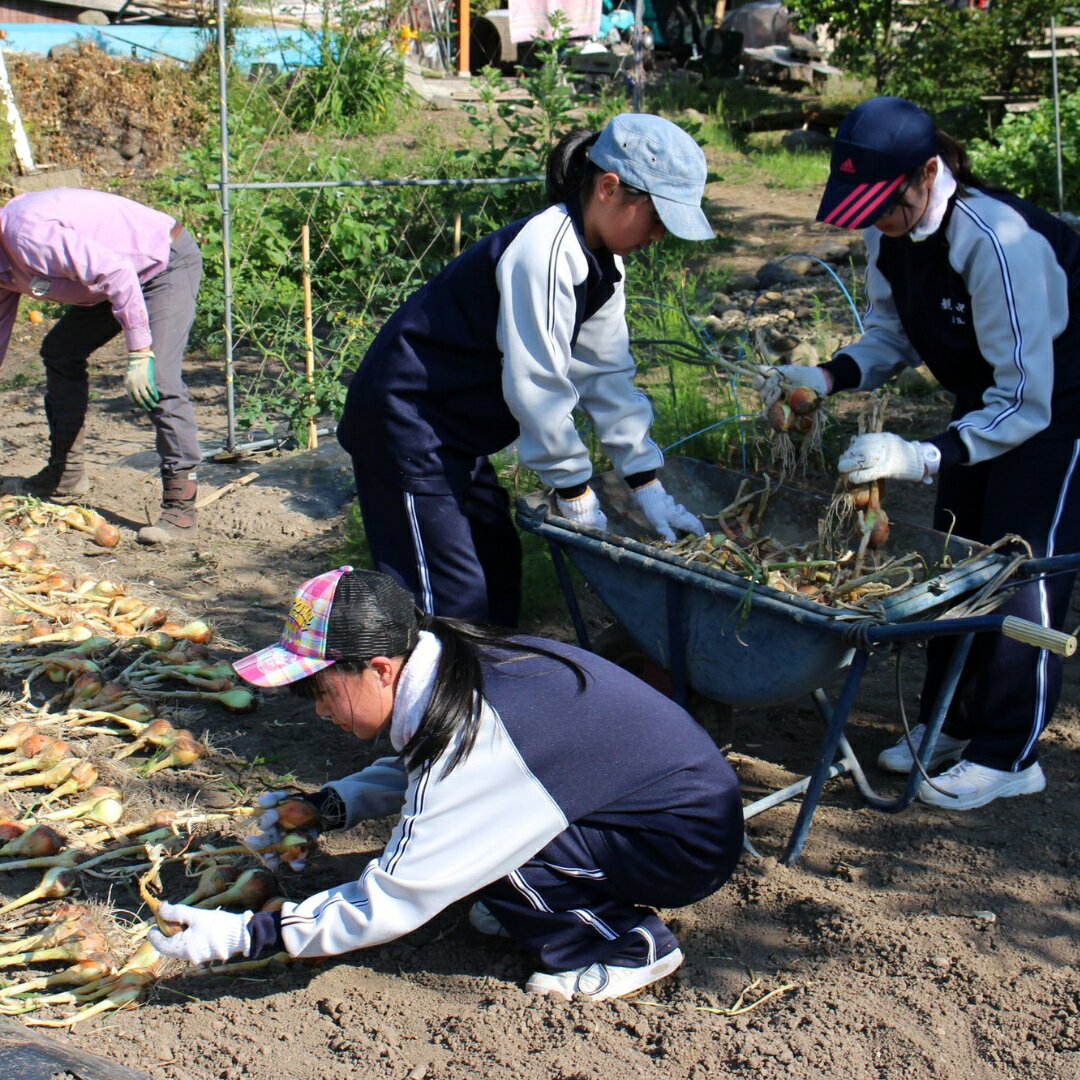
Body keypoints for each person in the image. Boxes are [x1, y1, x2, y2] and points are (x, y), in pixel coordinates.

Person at [148, 566, 744, 1001]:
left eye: (319, 690)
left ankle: (624, 945)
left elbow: (398, 894)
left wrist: (250, 934)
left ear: (379, 668)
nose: (317, 710)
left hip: (682, 845)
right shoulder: (449, 664)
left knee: (484, 852)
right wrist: (330, 806)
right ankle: (553, 903)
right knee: (478, 842)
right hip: (644, 809)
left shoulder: (482, 729)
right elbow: (434, 772)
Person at [757, 96, 1080, 810]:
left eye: (886, 203)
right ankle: (950, 720)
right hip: (991, 393)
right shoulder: (889, 229)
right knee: (958, 555)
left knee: (1024, 563)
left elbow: (1028, 398)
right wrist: (826, 375)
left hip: (1061, 400)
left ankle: (1009, 753)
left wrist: (922, 456)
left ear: (929, 171)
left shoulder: (997, 241)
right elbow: (890, 335)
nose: (877, 219)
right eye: (864, 206)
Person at [336, 113, 713, 627]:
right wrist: (573, 489)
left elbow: (606, 375)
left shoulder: (605, 265)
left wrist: (645, 482)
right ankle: (430, 698)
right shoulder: (544, 251)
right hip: (406, 420)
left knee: (497, 560)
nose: (660, 236)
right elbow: (537, 385)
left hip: (454, 430)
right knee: (448, 596)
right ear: (609, 188)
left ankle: (490, 688)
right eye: (658, 219)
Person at [0, 188, 203, 545]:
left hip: (159, 265)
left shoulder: (28, 236)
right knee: (61, 351)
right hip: (109, 284)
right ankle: (66, 474)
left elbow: (118, 270)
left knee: (160, 376)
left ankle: (180, 507)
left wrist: (140, 352)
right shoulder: (3, 266)